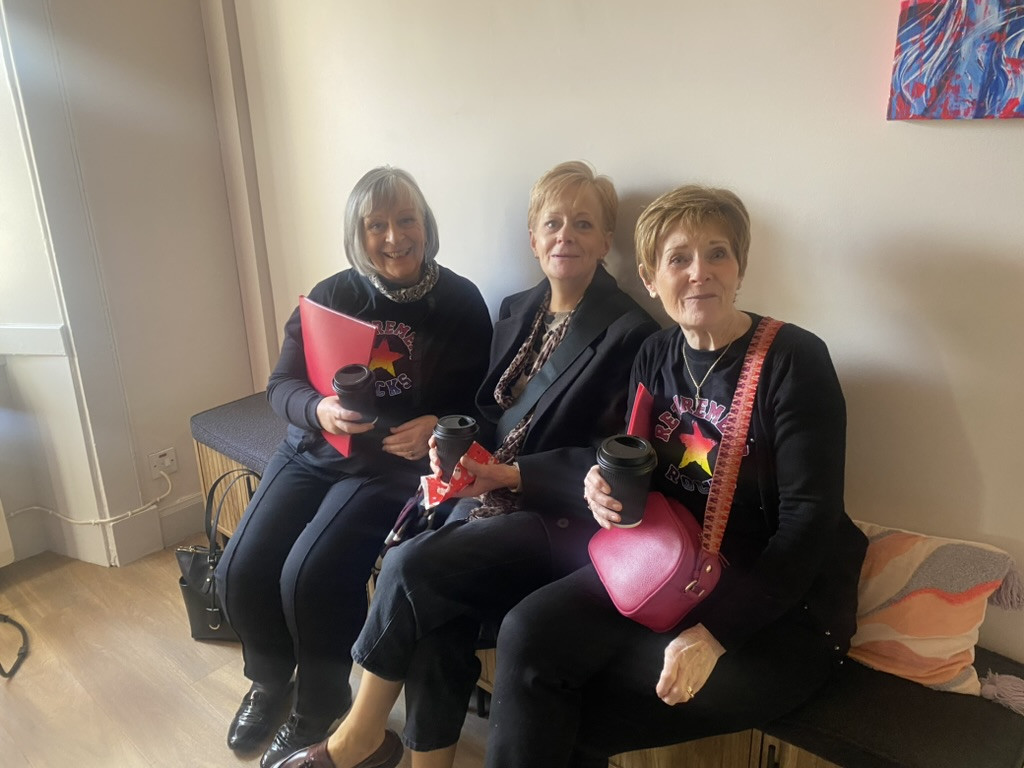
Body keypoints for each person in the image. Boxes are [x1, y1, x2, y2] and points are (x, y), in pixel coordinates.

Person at [277, 161, 660, 768]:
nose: (565, 235)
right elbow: (486, 413)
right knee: (439, 621)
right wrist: (448, 443)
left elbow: (618, 459)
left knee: (408, 564)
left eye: (583, 224)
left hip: (556, 516)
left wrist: (510, 475)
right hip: (485, 493)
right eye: (552, 223)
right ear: (533, 238)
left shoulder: (632, 332)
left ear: (605, 240)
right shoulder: (516, 309)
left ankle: (358, 738)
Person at [481, 185, 869, 767]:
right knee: (526, 631)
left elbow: (808, 523)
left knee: (579, 712)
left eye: (717, 254)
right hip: (669, 568)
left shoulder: (794, 361)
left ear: (739, 268)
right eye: (678, 258)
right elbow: (634, 465)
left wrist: (713, 635)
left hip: (780, 607)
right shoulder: (655, 354)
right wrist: (602, 488)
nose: (699, 273)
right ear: (650, 277)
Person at [216, 167, 493, 768]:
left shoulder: (461, 302)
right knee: (241, 567)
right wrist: (319, 410)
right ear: (357, 234)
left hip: (389, 467)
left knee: (309, 575)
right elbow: (281, 385)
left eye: (406, 220)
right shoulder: (332, 295)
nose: (394, 237)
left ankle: (319, 707)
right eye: (376, 225)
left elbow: (484, 404)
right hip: (313, 449)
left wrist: (437, 423)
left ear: (426, 226)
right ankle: (270, 681)